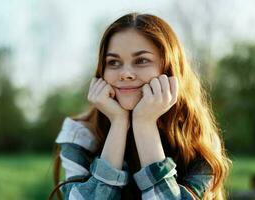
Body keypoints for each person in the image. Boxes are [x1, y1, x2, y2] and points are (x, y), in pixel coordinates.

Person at [49, 12, 232, 200]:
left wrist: (144, 124)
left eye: (141, 60)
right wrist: (119, 123)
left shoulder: (198, 138)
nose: (125, 74)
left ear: (168, 70)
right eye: (113, 62)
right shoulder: (80, 134)